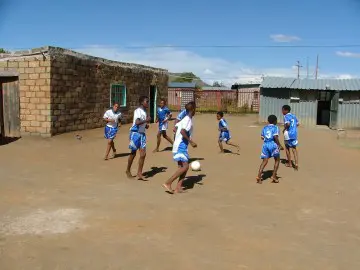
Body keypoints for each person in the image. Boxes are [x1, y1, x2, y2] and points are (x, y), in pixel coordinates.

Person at [162, 102, 197, 194]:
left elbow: (175, 128)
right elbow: (182, 131)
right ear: (193, 110)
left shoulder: (184, 119)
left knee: (182, 167)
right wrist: (191, 141)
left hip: (178, 145)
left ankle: (178, 188)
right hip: (181, 146)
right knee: (185, 166)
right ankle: (168, 183)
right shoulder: (188, 120)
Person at [126, 96, 151, 180]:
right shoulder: (138, 111)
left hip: (142, 134)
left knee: (143, 154)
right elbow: (137, 122)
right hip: (135, 134)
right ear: (142, 102)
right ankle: (127, 170)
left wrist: (146, 125)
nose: (148, 103)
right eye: (146, 101)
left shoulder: (144, 111)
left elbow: (142, 123)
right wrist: (146, 121)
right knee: (133, 153)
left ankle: (139, 173)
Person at [256, 115, 284, 184]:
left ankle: (259, 176)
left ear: (268, 121)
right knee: (277, 160)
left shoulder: (264, 128)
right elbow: (275, 137)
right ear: (275, 121)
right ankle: (274, 176)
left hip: (265, 145)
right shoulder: (275, 127)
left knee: (264, 161)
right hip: (273, 144)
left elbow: (262, 137)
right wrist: (279, 145)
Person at [282, 105, 300, 170]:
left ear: (286, 110)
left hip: (288, 133)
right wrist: (293, 128)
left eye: (283, 110)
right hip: (294, 133)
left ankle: (290, 163)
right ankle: (296, 163)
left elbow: (288, 124)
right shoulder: (294, 116)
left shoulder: (286, 116)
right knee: (294, 148)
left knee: (287, 148)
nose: (282, 111)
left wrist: (284, 129)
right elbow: (297, 124)